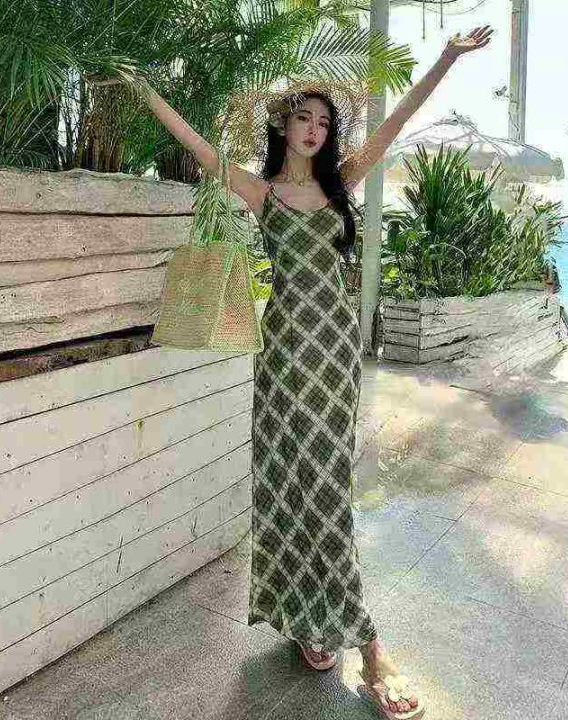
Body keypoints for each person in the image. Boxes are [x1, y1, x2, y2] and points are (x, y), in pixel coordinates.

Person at [104, 25, 492, 720]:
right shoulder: (261, 193)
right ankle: (327, 629)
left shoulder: (342, 185)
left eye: (324, 123)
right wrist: (142, 91)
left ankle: (363, 642)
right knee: (290, 487)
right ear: (283, 127)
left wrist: (445, 59)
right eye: (305, 118)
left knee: (327, 491)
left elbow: (398, 121)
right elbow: (198, 147)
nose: (315, 130)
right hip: (284, 358)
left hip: (334, 358)